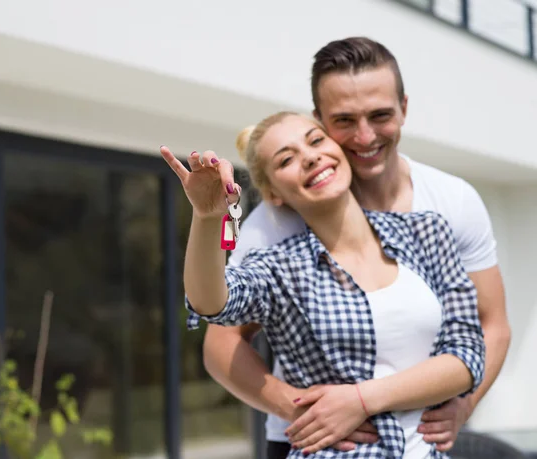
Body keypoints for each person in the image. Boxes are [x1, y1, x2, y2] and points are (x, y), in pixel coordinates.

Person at [202, 37, 511, 458]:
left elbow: (490, 325)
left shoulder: (449, 204)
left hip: (422, 437)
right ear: (320, 119)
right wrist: (306, 411)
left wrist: (463, 405)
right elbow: (221, 343)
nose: (365, 136)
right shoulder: (276, 222)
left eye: (380, 115)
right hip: (313, 440)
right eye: (344, 120)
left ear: (404, 107)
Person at [159, 110, 485, 458]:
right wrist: (208, 218)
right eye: (286, 159)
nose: (310, 157)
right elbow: (213, 302)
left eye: (315, 141)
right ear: (273, 194)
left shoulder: (427, 233)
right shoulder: (282, 267)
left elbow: (468, 353)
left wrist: (361, 400)